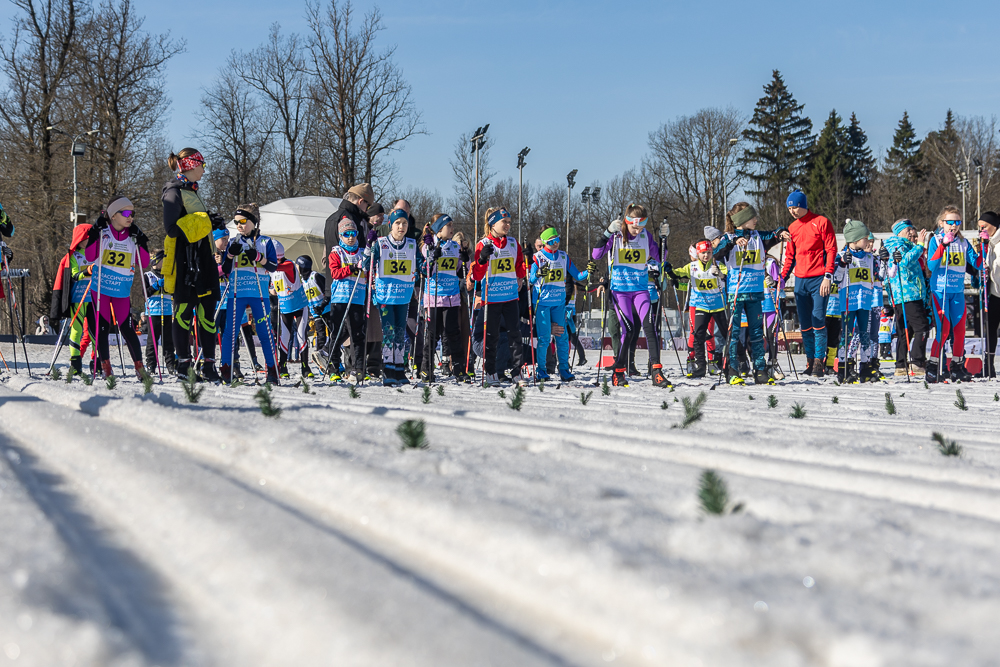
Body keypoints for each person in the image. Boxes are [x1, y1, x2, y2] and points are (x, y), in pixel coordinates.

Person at [161, 148, 227, 381]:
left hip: (204, 262)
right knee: (183, 313)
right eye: (202, 165)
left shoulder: (192, 191)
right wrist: (204, 219)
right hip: (185, 263)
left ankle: (208, 365)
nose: (204, 170)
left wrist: (210, 220)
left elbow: (197, 224)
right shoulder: (173, 192)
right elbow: (171, 228)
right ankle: (184, 366)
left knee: (208, 313)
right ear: (190, 166)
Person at [589, 204, 670, 388]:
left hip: (640, 290)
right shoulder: (617, 236)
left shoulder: (645, 236)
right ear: (626, 221)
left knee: (650, 327)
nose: (637, 230)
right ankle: (619, 371)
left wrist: (663, 239)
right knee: (629, 329)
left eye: (641, 227)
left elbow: (662, 258)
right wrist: (607, 233)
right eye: (634, 227)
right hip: (620, 291)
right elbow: (596, 254)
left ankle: (656, 372)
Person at [713, 202, 790, 385]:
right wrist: (732, 242)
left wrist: (781, 233)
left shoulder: (758, 236)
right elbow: (717, 253)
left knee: (756, 333)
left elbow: (774, 234)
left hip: (755, 293)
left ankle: (760, 369)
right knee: (735, 332)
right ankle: (732, 369)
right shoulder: (729, 237)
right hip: (736, 293)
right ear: (742, 220)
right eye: (752, 217)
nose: (756, 220)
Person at [82, 196, 151, 379]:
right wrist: (94, 233)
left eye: (133, 213)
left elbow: (144, 262)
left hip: (121, 291)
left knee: (127, 329)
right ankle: (106, 367)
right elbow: (89, 256)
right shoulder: (104, 233)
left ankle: (139, 367)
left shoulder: (132, 237)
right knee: (102, 329)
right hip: (101, 290)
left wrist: (142, 241)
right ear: (113, 215)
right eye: (126, 213)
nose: (131, 217)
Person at [220, 204, 280, 385]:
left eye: (243, 221)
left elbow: (272, 267)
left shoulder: (266, 242)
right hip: (236, 294)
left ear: (254, 222)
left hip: (258, 294)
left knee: (264, 332)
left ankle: (272, 371)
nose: (239, 225)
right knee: (230, 332)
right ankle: (226, 370)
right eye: (236, 222)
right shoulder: (233, 242)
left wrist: (259, 258)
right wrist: (230, 255)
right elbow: (224, 269)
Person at [781, 190, 837, 377]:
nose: (792, 211)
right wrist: (782, 277)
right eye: (789, 208)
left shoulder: (821, 222)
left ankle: (820, 362)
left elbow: (831, 249)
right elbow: (790, 256)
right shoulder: (792, 228)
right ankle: (810, 360)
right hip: (800, 280)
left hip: (819, 278)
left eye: (795, 207)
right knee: (804, 323)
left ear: (803, 205)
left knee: (818, 319)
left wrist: (828, 275)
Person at [925, 205, 983, 383]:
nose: (954, 225)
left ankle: (957, 366)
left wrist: (984, 246)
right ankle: (932, 366)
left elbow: (979, 264)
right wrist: (943, 245)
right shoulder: (935, 239)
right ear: (942, 223)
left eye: (957, 222)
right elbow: (931, 266)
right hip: (940, 292)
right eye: (950, 222)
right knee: (943, 331)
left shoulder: (963, 243)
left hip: (957, 292)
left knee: (960, 332)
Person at [470, 207, 527, 387]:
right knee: (491, 336)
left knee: (515, 335)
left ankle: (517, 372)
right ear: (493, 223)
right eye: (505, 222)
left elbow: (519, 267)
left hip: (510, 297)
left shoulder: (512, 243)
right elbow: (477, 275)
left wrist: (526, 263)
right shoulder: (484, 243)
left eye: (510, 222)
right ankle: (491, 371)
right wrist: (481, 260)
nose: (508, 225)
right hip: (492, 298)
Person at [530, 226, 588, 382]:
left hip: (559, 303)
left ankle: (563, 369)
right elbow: (530, 280)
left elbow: (577, 275)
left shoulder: (563, 256)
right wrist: (537, 274)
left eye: (557, 240)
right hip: (543, 304)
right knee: (544, 339)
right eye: (551, 242)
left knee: (562, 337)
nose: (555, 244)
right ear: (544, 243)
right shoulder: (538, 257)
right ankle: (541, 370)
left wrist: (589, 271)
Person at [372, 209, 420, 385]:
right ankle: (388, 368)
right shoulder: (381, 243)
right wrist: (370, 247)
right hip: (386, 297)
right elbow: (365, 264)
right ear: (390, 225)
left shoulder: (412, 244)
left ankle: (400, 368)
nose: (401, 227)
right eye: (397, 223)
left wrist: (431, 251)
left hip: (403, 296)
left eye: (404, 223)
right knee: (389, 333)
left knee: (401, 333)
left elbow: (423, 265)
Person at [667, 239, 727, 379]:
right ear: (698, 254)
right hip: (699, 305)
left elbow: (727, 277)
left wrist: (720, 274)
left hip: (716, 306)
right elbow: (679, 275)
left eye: (708, 252)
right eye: (703, 253)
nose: (706, 255)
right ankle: (699, 364)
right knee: (697, 335)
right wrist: (670, 272)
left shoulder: (718, 264)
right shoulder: (692, 266)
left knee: (716, 334)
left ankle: (720, 362)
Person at [419, 213, 465, 380]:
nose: (452, 229)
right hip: (434, 298)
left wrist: (464, 261)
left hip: (451, 297)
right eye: (449, 226)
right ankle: (427, 369)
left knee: (453, 333)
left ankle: (459, 369)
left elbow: (458, 270)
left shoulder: (454, 246)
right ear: (439, 230)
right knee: (432, 335)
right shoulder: (428, 246)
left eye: (453, 225)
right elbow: (425, 271)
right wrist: (432, 258)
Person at [832, 219, 879, 383]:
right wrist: (843, 264)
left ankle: (865, 367)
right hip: (848, 303)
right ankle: (843, 369)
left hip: (865, 302)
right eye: (865, 237)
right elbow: (836, 279)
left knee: (865, 335)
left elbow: (882, 276)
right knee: (847, 334)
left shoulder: (870, 258)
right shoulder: (841, 256)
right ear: (855, 239)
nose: (868, 240)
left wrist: (887, 260)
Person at [882, 219, 930, 378]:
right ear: (899, 232)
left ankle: (901, 365)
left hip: (907, 294)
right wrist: (920, 246)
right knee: (922, 327)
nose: (912, 233)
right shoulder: (897, 244)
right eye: (908, 230)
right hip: (907, 294)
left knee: (905, 331)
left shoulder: (904, 244)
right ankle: (917, 361)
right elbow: (905, 262)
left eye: (913, 230)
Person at [326, 218, 369, 384]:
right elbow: (335, 273)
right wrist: (352, 268)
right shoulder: (336, 252)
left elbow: (367, 272)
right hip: (340, 298)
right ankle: (334, 368)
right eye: (346, 234)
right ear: (340, 236)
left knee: (358, 334)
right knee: (336, 334)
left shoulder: (362, 253)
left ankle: (359, 369)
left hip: (357, 298)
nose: (350, 237)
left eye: (353, 234)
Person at [50, 223, 94, 375]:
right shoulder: (74, 256)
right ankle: (75, 363)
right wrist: (87, 271)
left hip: (94, 298)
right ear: (80, 239)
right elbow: (75, 275)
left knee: (96, 332)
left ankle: (97, 362)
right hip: (79, 298)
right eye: (87, 237)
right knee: (77, 329)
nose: (89, 240)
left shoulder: (95, 253)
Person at [271, 241, 312, 379]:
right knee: (284, 337)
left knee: (301, 335)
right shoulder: (273, 268)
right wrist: (271, 291)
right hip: (285, 307)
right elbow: (272, 286)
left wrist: (261, 261)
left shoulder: (288, 264)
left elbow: (278, 267)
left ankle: (305, 367)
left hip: (299, 306)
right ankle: (282, 366)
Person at [143, 251, 177, 375]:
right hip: (153, 313)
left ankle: (170, 365)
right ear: (156, 261)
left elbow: (174, 292)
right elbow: (145, 293)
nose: (165, 263)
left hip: (167, 311)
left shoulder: (167, 275)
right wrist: (156, 286)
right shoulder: (148, 275)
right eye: (163, 260)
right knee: (152, 341)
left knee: (168, 340)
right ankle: (151, 365)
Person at [978, 212, 1000, 377]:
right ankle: (988, 366)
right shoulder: (987, 243)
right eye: (979, 227)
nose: (981, 230)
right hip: (994, 293)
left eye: (984, 226)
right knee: (990, 329)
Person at [299, 255, 330, 358]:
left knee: (331, 334)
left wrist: (323, 305)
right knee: (320, 335)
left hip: (327, 310)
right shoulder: (303, 281)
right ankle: (320, 357)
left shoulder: (315, 276)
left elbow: (327, 291)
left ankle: (333, 358)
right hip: (315, 312)